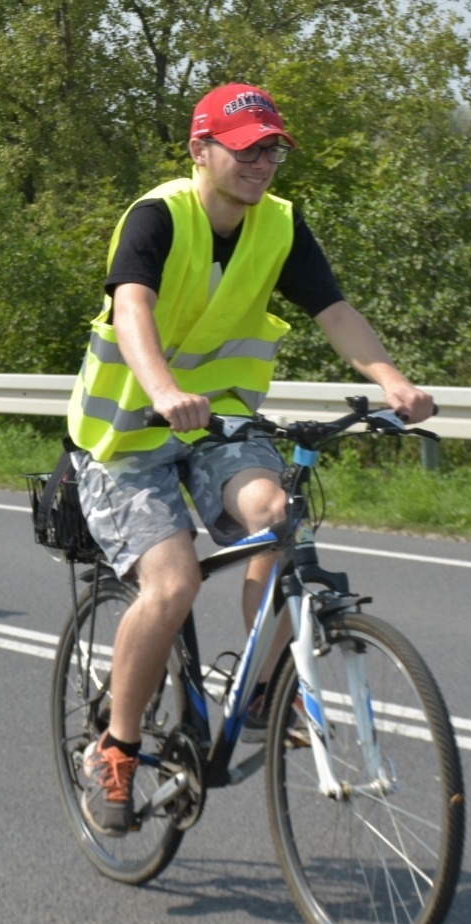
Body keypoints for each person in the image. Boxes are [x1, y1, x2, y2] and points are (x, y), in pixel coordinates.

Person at [66, 84, 435, 836]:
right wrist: (164, 388)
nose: (262, 164)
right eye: (246, 149)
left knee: (277, 516)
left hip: (219, 424)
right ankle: (119, 745)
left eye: (272, 149)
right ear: (201, 150)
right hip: (125, 433)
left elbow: (334, 310)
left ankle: (264, 690)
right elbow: (132, 307)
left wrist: (390, 379)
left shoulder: (280, 228)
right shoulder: (157, 217)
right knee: (170, 585)